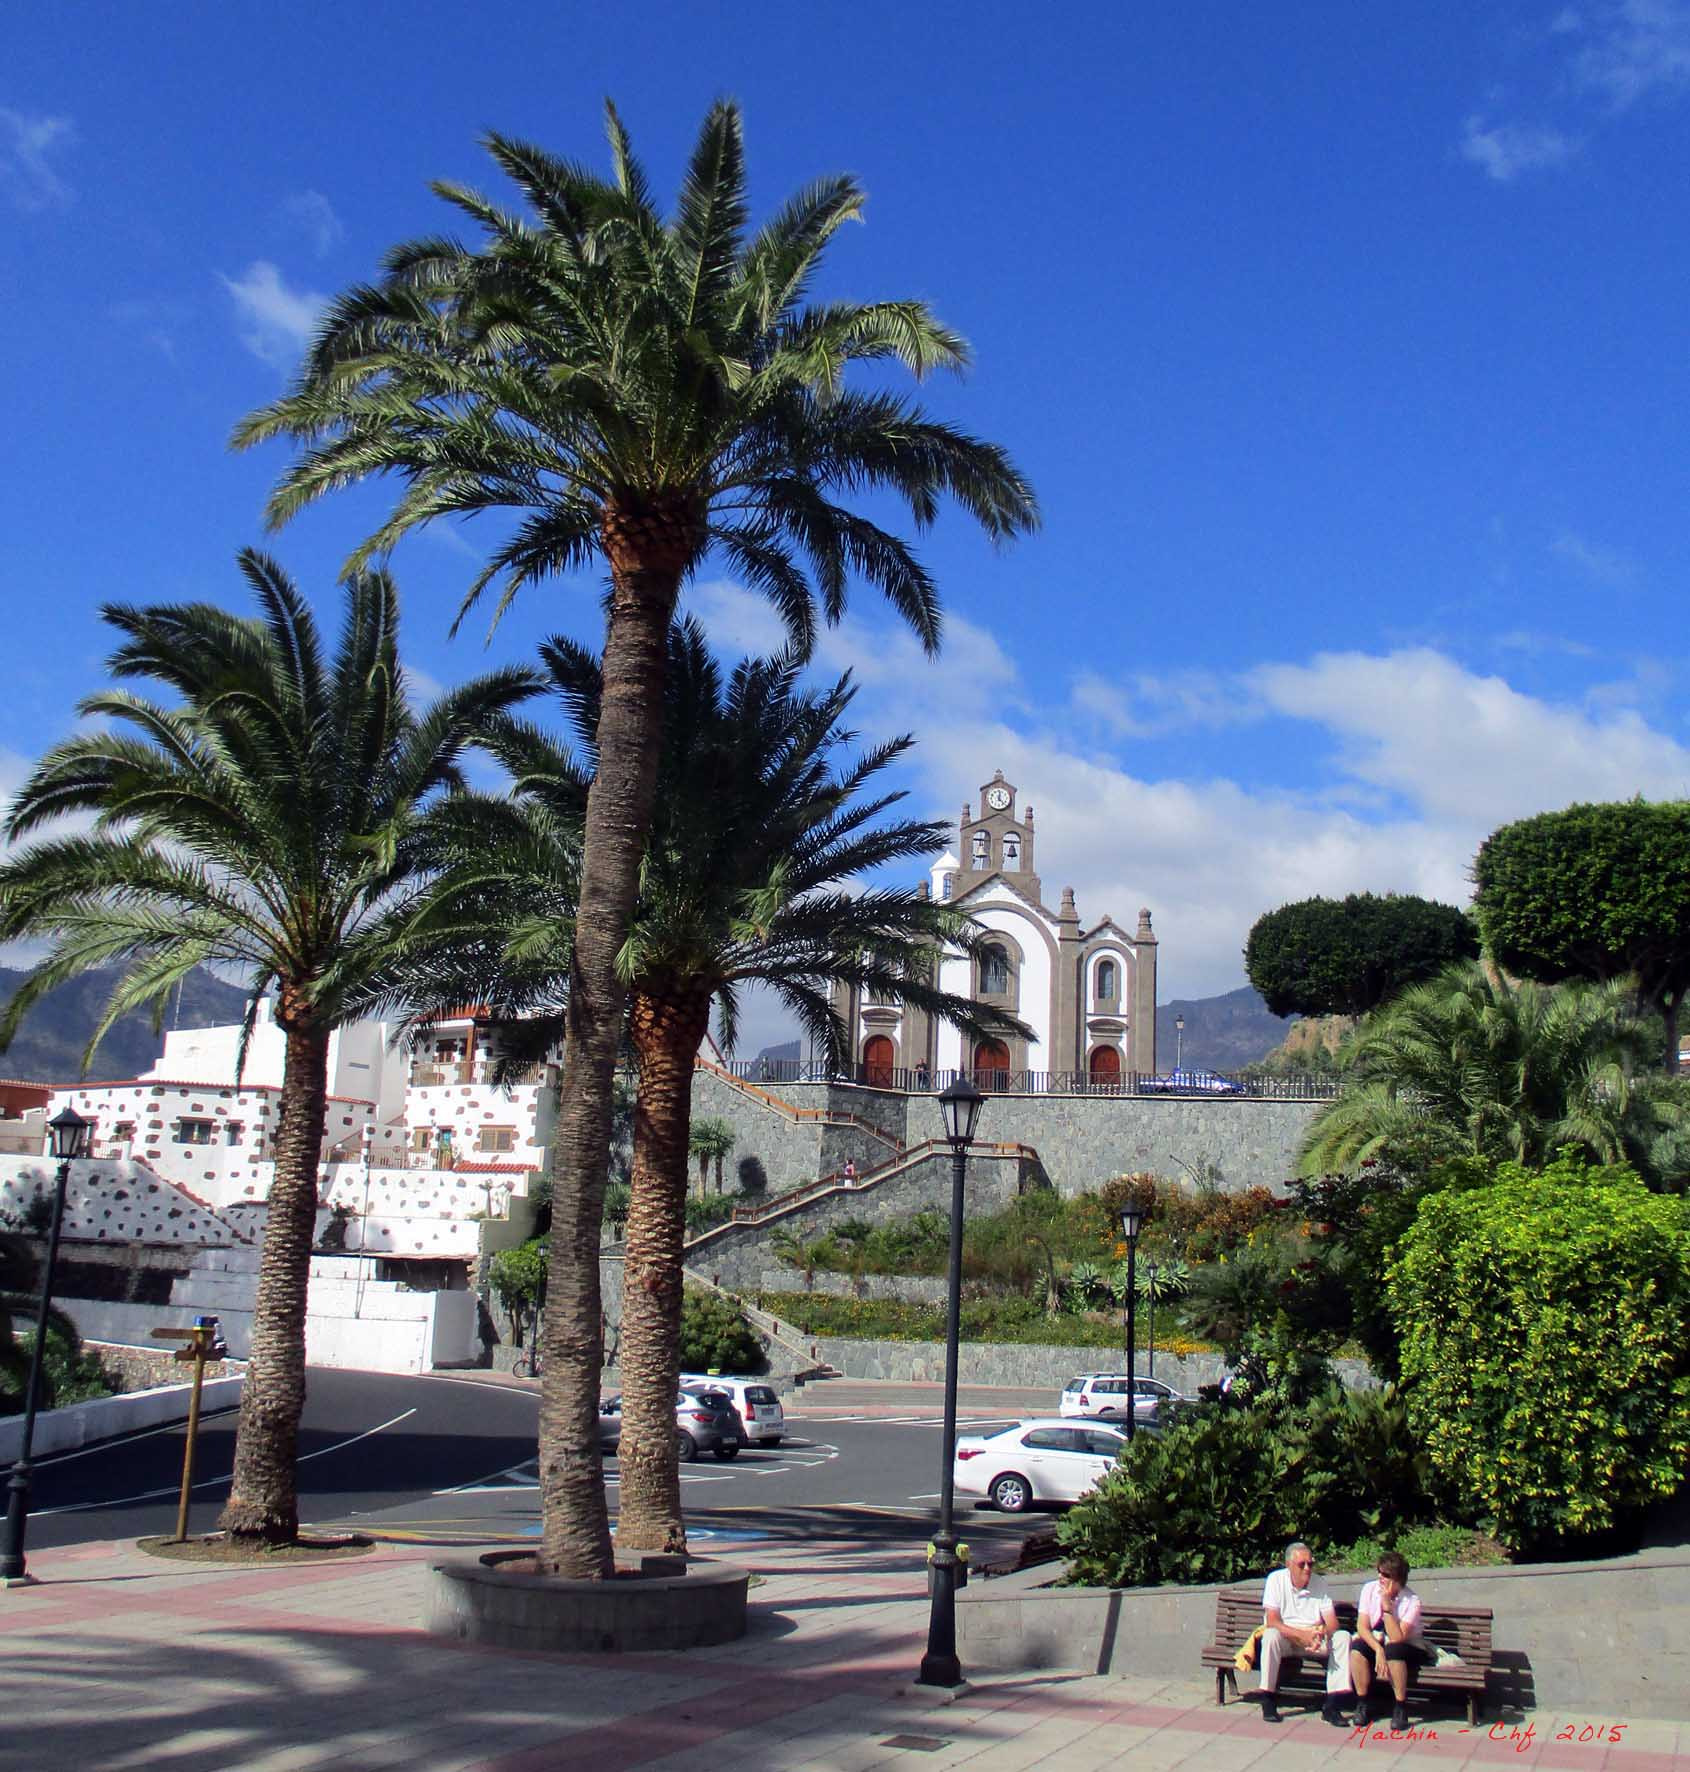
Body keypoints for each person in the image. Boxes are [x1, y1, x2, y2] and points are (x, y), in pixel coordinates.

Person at [1255, 1541, 1354, 1725]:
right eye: (1302, 1564)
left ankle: (1332, 1705)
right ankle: (1268, 1699)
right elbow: (1273, 1621)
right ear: (1289, 1565)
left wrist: (1321, 1633)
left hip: (1314, 1639)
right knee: (1270, 1636)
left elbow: (1332, 1623)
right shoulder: (1275, 1580)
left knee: (1343, 1638)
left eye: (1311, 1563)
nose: (1307, 1568)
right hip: (1287, 1638)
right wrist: (1301, 1635)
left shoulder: (1320, 1583)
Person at [1347, 1550, 1429, 1733]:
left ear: (1397, 1579)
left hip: (1409, 1646)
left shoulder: (1412, 1601)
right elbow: (1362, 1626)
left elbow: (1398, 1637)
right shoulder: (1369, 1589)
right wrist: (1377, 1649)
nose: (1380, 1577)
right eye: (1379, 1572)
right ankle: (1362, 1703)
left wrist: (1387, 1608)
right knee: (1358, 1648)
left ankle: (1400, 1706)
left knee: (1394, 1650)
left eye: (1386, 1575)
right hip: (1380, 1641)